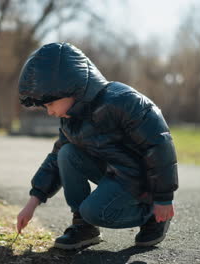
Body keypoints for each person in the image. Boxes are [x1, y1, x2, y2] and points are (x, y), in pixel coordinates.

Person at [16, 42, 178, 250]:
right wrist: (32, 203)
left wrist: (163, 197)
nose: (50, 112)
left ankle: (153, 216)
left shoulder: (122, 101)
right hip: (113, 174)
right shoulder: (70, 118)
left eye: (50, 104)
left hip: (140, 182)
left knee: (93, 210)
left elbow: (159, 144)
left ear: (70, 88)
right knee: (66, 153)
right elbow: (56, 159)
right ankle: (84, 228)